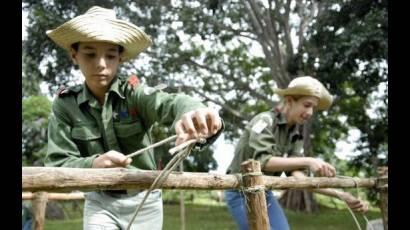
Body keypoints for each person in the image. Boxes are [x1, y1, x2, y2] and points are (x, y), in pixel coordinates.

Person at [44, 6, 223, 230]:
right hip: (99, 202)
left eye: (110, 55)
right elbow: (58, 163)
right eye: (90, 54)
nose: (101, 64)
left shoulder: (135, 93)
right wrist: (93, 163)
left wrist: (194, 113)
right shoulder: (64, 104)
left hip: (145, 198)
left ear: (121, 58)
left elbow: (169, 102)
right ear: (74, 54)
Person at [224, 76, 368, 230]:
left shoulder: (295, 134)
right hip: (239, 191)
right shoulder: (264, 121)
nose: (310, 112)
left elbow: (298, 177)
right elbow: (263, 162)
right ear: (289, 100)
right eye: (307, 105)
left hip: (264, 191)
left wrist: (342, 196)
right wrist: (309, 161)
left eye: (313, 108)